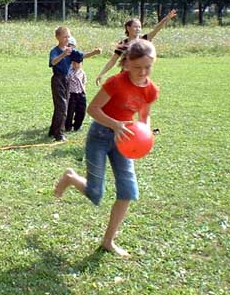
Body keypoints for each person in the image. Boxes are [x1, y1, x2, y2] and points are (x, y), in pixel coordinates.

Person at [54, 39, 159, 257]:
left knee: (128, 192)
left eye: (147, 67)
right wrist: (116, 125)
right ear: (127, 63)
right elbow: (93, 109)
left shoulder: (150, 90)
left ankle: (108, 241)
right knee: (95, 192)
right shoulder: (115, 83)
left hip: (126, 140)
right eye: (138, 67)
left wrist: (145, 135)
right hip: (100, 136)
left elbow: (144, 117)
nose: (142, 73)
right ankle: (71, 177)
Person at [95, 9, 176, 86]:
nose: (138, 29)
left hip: (139, 77)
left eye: (139, 27)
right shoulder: (123, 43)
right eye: (135, 27)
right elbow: (113, 61)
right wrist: (101, 74)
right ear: (128, 28)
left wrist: (167, 19)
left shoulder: (144, 39)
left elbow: (157, 29)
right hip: (125, 77)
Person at [48, 27, 101, 141]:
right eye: (65, 36)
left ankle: (53, 130)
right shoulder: (55, 51)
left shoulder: (70, 50)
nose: (67, 39)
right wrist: (63, 54)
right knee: (62, 106)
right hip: (58, 80)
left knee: (63, 106)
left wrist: (94, 52)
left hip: (66, 80)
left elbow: (82, 55)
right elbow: (53, 62)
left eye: (69, 36)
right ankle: (59, 134)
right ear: (58, 37)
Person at [65, 38, 87, 132]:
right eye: (74, 63)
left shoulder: (82, 73)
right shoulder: (69, 72)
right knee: (70, 111)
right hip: (71, 94)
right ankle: (68, 126)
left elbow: (84, 83)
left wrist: (84, 92)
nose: (76, 65)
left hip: (80, 94)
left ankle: (77, 125)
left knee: (81, 111)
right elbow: (66, 82)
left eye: (78, 63)